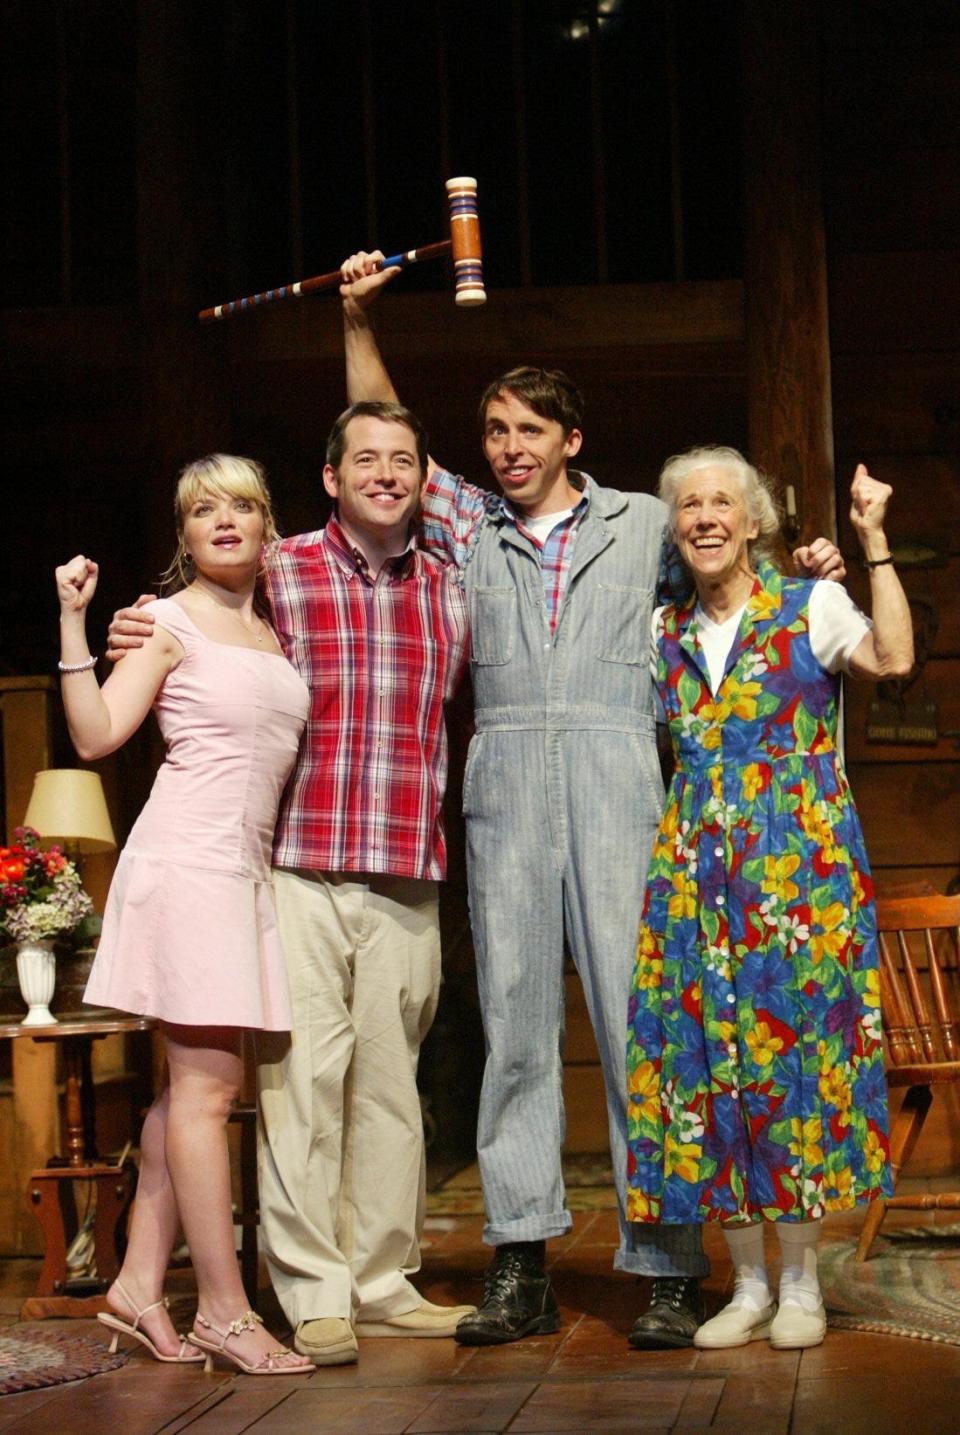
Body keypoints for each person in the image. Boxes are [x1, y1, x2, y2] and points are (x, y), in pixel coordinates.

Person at [337, 252, 847, 1349]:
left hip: (622, 779)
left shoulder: (641, 522)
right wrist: (356, 316)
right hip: (509, 779)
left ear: (572, 439)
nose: (509, 449)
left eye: (530, 431)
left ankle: (667, 1261)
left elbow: (734, 572)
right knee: (516, 1022)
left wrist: (816, 565)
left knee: (640, 1027)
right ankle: (519, 1260)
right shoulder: (467, 527)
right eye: (496, 433)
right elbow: (378, 422)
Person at [106, 405, 473, 1367]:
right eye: (365, 459)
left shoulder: (451, 581)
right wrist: (121, 625)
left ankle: (382, 1279)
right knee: (301, 1089)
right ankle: (311, 1293)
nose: (385, 475)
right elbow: (196, 596)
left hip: (406, 858)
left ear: (424, 481)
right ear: (328, 476)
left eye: (404, 462)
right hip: (299, 861)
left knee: (393, 1091)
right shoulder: (285, 564)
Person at [626, 447, 912, 1350]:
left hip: (800, 872)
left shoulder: (805, 603)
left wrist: (870, 540)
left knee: (798, 1065)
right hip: (695, 878)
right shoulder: (660, 629)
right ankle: (745, 1284)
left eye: (723, 504)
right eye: (689, 507)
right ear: (676, 529)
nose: (706, 518)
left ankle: (802, 1285)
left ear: (752, 521)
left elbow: (894, 656)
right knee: (707, 1068)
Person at [57, 455, 313, 1375]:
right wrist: (74, 622)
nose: (225, 521)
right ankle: (223, 1310)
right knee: (207, 1096)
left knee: (186, 1095)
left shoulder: (274, 628)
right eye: (204, 510)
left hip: (239, 872)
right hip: (187, 864)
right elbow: (95, 734)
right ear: (185, 534)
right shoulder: (165, 620)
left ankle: (134, 1283)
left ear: (267, 525)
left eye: (242, 505)